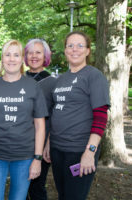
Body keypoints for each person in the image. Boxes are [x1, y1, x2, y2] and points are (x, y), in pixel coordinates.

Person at [0, 40, 48, 200]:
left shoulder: (33, 86)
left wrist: (37, 159)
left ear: (22, 58)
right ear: (2, 59)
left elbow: (40, 125)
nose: (11, 59)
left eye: (16, 55)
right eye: (7, 55)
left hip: (24, 157)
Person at [44, 31, 110, 200]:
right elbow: (57, 112)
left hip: (80, 150)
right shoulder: (60, 79)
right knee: (63, 195)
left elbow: (101, 116)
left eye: (80, 45)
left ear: (88, 51)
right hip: (58, 149)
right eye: (70, 45)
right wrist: (48, 143)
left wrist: (90, 152)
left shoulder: (94, 76)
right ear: (65, 50)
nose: (75, 49)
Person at [24, 39, 57, 200]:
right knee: (21, 186)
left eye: (38, 52)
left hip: (42, 144)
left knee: (36, 187)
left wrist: (49, 144)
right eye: (30, 52)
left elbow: (56, 117)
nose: (34, 56)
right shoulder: (17, 79)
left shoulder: (53, 83)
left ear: (45, 56)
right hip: (19, 144)